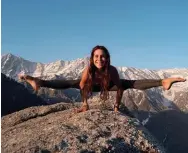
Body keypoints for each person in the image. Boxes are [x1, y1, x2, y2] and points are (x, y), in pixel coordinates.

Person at [19, 45, 186, 113]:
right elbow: (83, 86)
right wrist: (85, 104)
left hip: (108, 86)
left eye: (103, 56)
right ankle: (37, 81)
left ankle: (162, 81)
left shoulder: (112, 70)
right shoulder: (88, 70)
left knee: (129, 83)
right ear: (92, 58)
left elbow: (120, 88)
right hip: (91, 86)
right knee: (71, 82)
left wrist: (116, 106)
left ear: (107, 58)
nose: (100, 59)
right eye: (96, 56)